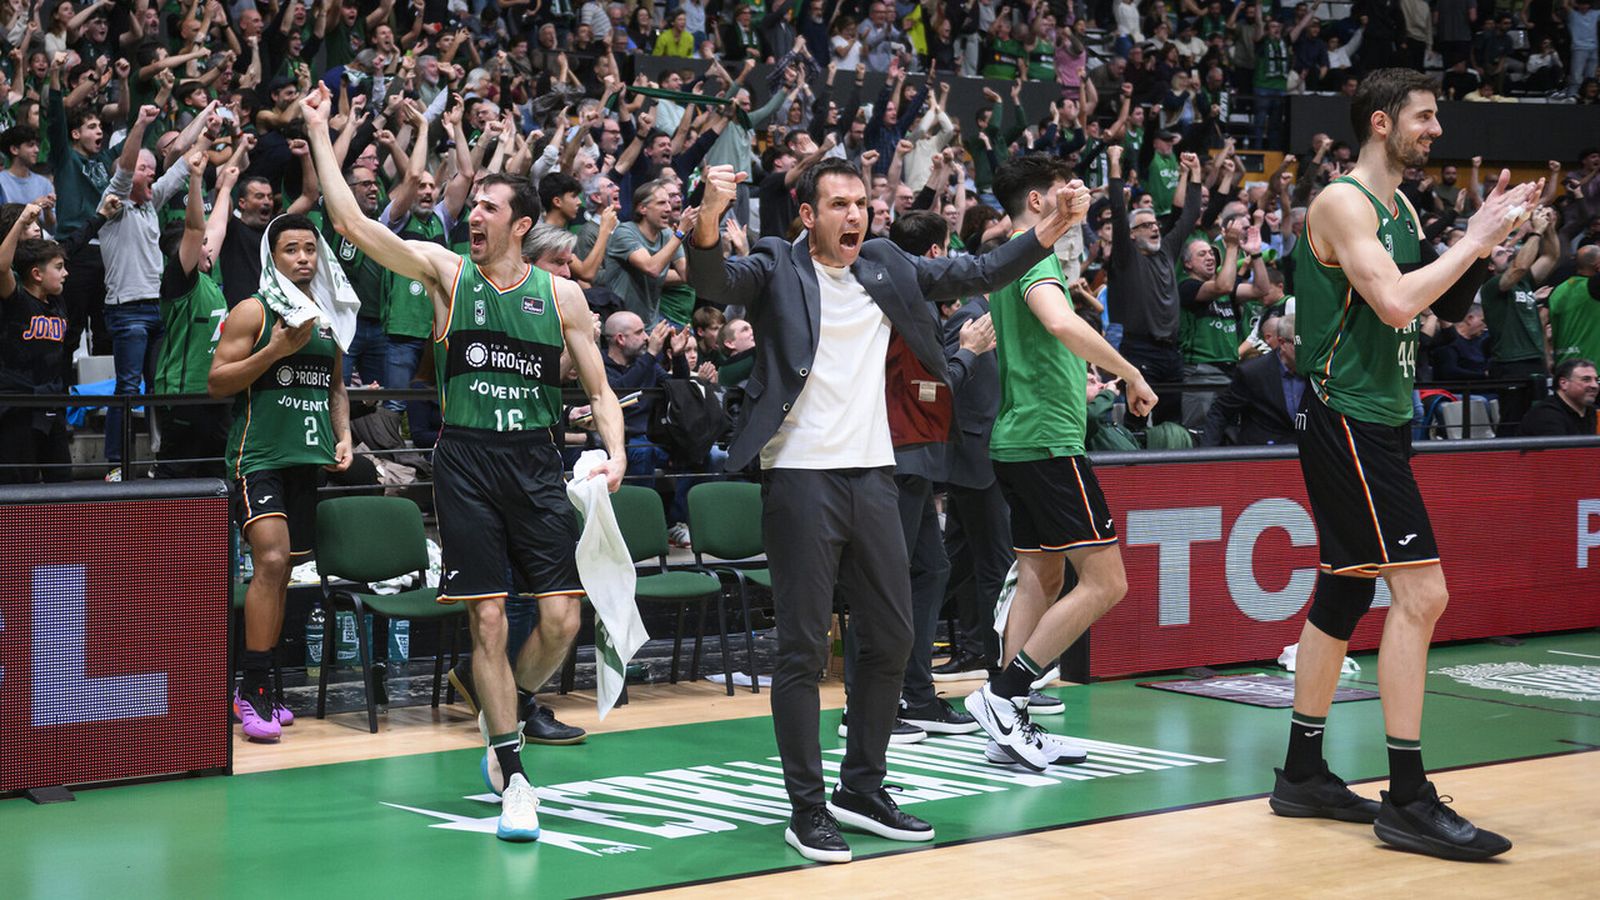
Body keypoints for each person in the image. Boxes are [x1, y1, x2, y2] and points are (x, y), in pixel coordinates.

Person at [686, 159, 1086, 863]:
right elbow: (715, 281)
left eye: (861, 204)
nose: (854, 216)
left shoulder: (886, 265)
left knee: (894, 637)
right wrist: (711, 217)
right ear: (807, 214)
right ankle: (806, 809)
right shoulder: (778, 264)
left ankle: (861, 789)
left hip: (874, 472)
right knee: (804, 648)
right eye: (837, 204)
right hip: (801, 476)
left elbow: (981, 271)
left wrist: (1048, 229)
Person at [302, 84, 625, 843]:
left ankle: (499, 703)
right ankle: (512, 771)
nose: (470, 214)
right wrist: (321, 130)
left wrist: (612, 453)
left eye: (486, 207)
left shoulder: (563, 299)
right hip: (468, 460)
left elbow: (605, 392)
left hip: (538, 463)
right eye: (471, 205)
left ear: (521, 223)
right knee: (486, 616)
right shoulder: (447, 272)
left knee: (560, 620)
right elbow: (349, 222)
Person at [1272, 68, 1537, 861]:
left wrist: (1491, 248)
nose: (1437, 130)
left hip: (1381, 419)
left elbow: (1446, 307)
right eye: (1425, 117)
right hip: (1346, 417)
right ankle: (1409, 798)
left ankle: (1302, 771)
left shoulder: (1404, 206)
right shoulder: (1343, 203)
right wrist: (1475, 237)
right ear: (1381, 123)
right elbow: (1393, 302)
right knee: (1423, 594)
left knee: (1346, 589)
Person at [960, 155, 1157, 771]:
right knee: (1107, 583)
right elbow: (1057, 320)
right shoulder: (1034, 258)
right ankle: (1005, 694)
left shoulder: (1013, 260)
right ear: (1038, 203)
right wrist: (1128, 370)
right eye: (1064, 191)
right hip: (1049, 442)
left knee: (1040, 575)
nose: (1079, 198)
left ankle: (1006, 728)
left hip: (1017, 440)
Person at [208, 213, 354, 744]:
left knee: (283, 572)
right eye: (291, 249)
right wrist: (273, 350)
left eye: (310, 249)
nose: (303, 258)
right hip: (257, 456)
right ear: (274, 257)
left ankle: (260, 681)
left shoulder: (329, 317)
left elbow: (335, 386)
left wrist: (345, 435)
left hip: (305, 458)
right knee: (268, 561)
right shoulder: (254, 309)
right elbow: (216, 382)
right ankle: (252, 687)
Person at [1104, 143, 1203, 424]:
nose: (1155, 227)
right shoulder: (1126, 255)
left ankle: (1170, 470)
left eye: (1155, 223)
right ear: (1132, 234)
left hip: (1171, 351)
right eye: (1146, 225)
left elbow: (1190, 214)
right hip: (1138, 349)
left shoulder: (1167, 250)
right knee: (1136, 420)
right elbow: (1116, 209)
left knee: (1171, 422)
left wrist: (1195, 171)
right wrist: (1114, 161)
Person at [153, 153, 235, 479]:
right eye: (201, 245)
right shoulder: (179, 278)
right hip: (185, 393)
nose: (208, 247)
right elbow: (196, 226)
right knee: (178, 478)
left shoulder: (208, 276)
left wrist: (226, 186)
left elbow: (218, 226)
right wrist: (197, 178)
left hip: (216, 393)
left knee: (217, 478)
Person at [0, 205, 73, 484]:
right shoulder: (15, 299)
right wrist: (20, 222)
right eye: (58, 268)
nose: (65, 273)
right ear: (37, 274)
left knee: (63, 482)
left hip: (51, 404)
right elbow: (1, 266)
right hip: (17, 407)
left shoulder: (57, 301)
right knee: (20, 485)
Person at [1479, 206, 1560, 434]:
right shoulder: (1492, 287)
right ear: (1491, 266)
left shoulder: (1524, 282)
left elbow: (1551, 256)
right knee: (1512, 425)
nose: (1508, 251)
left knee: (1540, 423)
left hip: (1535, 359)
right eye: (1500, 253)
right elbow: (1520, 266)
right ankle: (1504, 467)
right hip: (1511, 363)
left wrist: (1549, 228)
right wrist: (1536, 232)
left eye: (1507, 249)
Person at [1200, 312, 1303, 446]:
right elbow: (1221, 411)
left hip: (1307, 452)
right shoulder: (1253, 372)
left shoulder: (1317, 371)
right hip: (1264, 454)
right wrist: (1207, 455)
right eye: (1299, 344)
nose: (1306, 350)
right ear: (1282, 343)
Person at [1518, 358, 1598, 434]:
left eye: (1596, 380)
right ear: (1563, 383)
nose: (1595, 385)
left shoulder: (1590, 410)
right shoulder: (1546, 415)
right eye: (1586, 380)